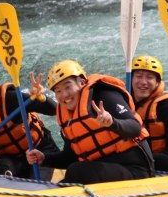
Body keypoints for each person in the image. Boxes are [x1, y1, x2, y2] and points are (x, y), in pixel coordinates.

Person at [26, 60, 154, 184]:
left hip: (136, 169)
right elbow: (70, 157)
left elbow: (135, 128)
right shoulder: (68, 117)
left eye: (68, 86)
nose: (64, 94)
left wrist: (112, 123)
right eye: (58, 91)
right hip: (106, 170)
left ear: (82, 82)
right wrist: (44, 158)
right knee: (74, 170)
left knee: (77, 171)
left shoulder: (103, 95)